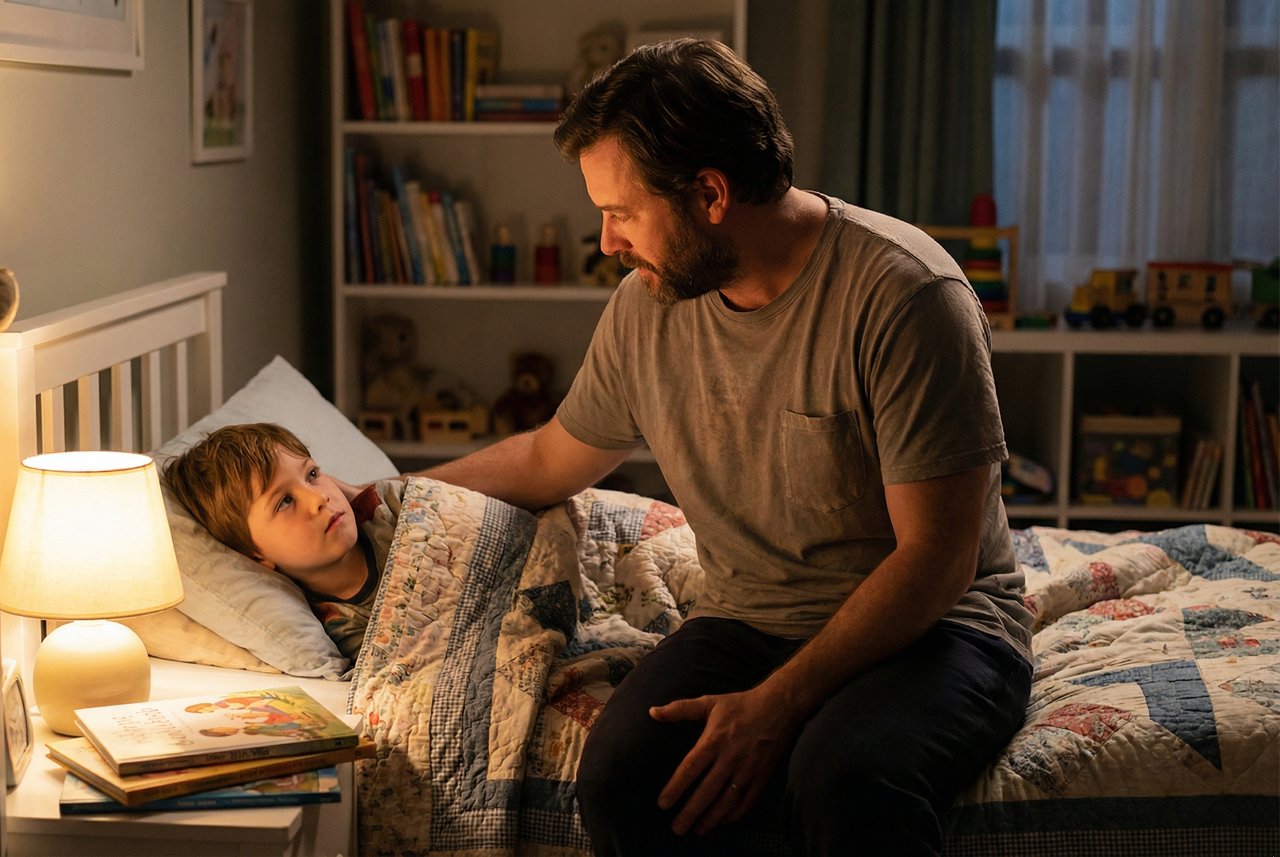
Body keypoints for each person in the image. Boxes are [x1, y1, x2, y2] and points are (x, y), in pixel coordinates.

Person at [419, 38, 1034, 856]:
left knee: (843, 778)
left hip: (939, 628)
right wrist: (394, 493)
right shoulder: (649, 308)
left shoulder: (906, 297)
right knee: (619, 775)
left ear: (710, 193)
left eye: (623, 213)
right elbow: (545, 460)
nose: (607, 242)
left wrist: (778, 703)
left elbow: (938, 561)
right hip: (750, 619)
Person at [161, 423, 395, 660]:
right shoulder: (341, 628)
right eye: (284, 501)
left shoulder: (391, 507)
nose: (318, 498)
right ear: (256, 556)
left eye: (312, 475)